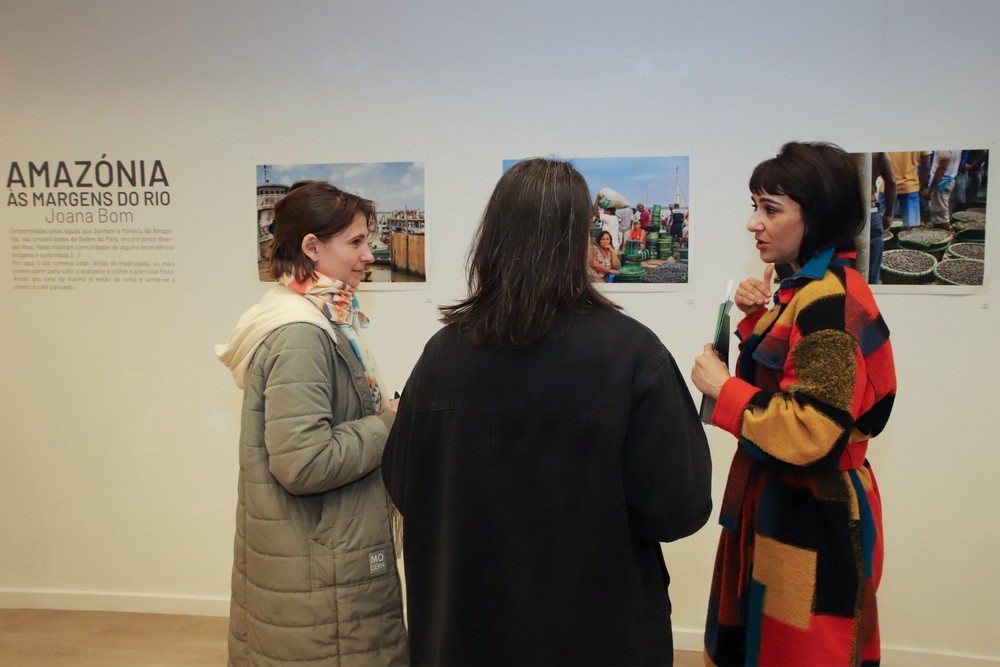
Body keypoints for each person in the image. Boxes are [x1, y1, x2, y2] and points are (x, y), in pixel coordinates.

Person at [382, 158, 713, 666]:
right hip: (596, 634)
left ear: (492, 238)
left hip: (465, 632)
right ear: (579, 239)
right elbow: (680, 507)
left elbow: (404, 482)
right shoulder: (632, 354)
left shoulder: (441, 354)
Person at [691, 142, 897, 666]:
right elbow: (794, 379)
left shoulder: (827, 300)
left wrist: (723, 388)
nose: (753, 223)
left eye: (771, 209)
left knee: (802, 653)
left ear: (818, 215)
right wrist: (756, 319)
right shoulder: (807, 289)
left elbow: (813, 429)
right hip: (789, 502)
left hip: (813, 515)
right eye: (754, 205)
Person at [215, 181, 408, 666]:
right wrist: (388, 423)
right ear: (311, 247)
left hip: (317, 559)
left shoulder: (313, 316)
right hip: (326, 573)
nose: (370, 254)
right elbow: (303, 462)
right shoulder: (302, 333)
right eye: (357, 242)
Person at [868, 152, 897, 284]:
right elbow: (891, 181)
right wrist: (888, 214)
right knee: (873, 266)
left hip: (845, 210)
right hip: (870, 209)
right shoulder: (877, 153)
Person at [887, 151, 930, 228]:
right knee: (911, 226)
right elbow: (926, 166)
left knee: (884, 224)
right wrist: (922, 187)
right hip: (910, 186)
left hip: (887, 186)